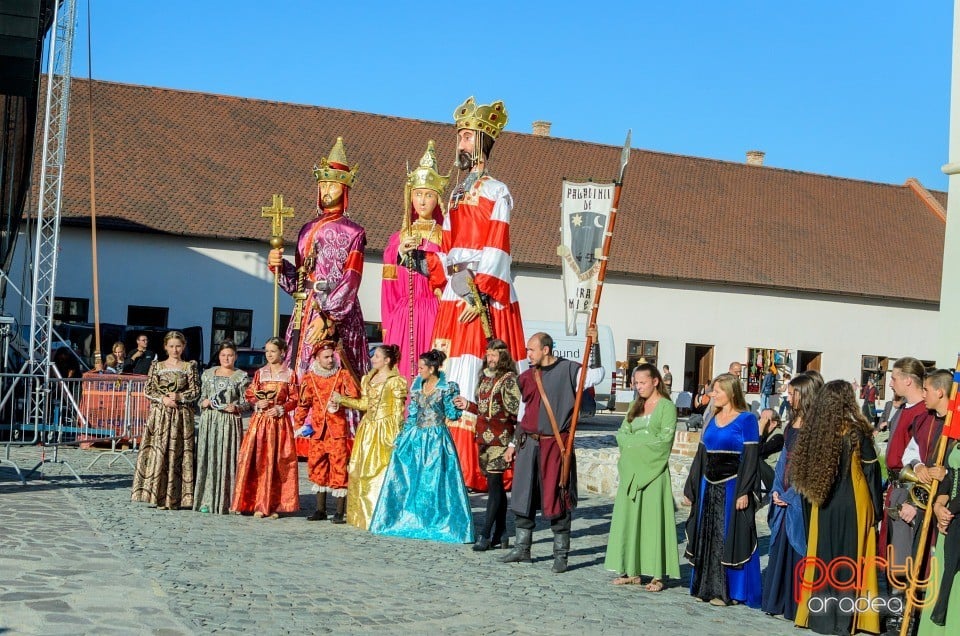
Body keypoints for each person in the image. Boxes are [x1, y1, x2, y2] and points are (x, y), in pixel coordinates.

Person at [416, 97, 527, 492]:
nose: (460, 144)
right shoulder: (453, 194)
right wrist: (440, 274)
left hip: (482, 293)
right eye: (458, 136)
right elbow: (446, 245)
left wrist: (476, 295)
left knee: (474, 366)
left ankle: (474, 462)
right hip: (455, 292)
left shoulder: (498, 191)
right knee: (446, 363)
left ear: (482, 141)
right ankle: (441, 454)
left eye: (466, 137)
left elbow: (498, 246)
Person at [501, 329, 604, 573]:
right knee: (523, 495)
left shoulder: (569, 370)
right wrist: (513, 445)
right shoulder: (527, 376)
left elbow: (597, 375)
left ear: (545, 350)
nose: (528, 354)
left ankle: (561, 555)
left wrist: (596, 343)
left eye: (531, 349)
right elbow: (523, 413)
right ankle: (522, 549)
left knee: (557, 495)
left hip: (555, 446)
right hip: (528, 444)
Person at [267, 137, 370, 380]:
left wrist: (328, 317)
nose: (326, 191)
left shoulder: (354, 232)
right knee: (301, 368)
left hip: (337, 311)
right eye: (323, 185)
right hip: (306, 307)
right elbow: (299, 282)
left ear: (344, 189)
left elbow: (351, 279)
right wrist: (279, 266)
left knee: (337, 368)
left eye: (332, 186)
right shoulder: (306, 229)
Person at [792, 380, 883, 635]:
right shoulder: (855, 431)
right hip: (853, 502)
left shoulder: (815, 430)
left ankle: (821, 620)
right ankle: (844, 622)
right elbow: (871, 469)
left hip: (823, 504)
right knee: (849, 562)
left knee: (824, 558)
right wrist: (877, 509)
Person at [369, 350, 474, 544]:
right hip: (417, 438)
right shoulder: (418, 386)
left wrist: (456, 405)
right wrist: (402, 439)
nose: (419, 371)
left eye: (422, 367)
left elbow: (452, 415)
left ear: (432, 368)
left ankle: (437, 521)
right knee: (413, 479)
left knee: (435, 481)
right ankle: (413, 520)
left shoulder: (447, 388)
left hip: (437, 439)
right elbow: (412, 415)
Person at [683, 372, 762, 608]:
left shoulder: (746, 420)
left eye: (717, 390)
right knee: (708, 535)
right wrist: (692, 488)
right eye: (712, 390)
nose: (712, 394)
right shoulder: (711, 419)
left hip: (732, 486)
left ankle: (728, 591)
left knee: (727, 537)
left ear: (730, 392)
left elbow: (751, 458)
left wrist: (744, 491)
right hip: (709, 486)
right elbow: (701, 457)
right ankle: (705, 587)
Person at [604, 363, 680, 591]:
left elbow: (664, 440)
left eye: (642, 382)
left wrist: (635, 446)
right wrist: (634, 448)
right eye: (636, 383)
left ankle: (657, 574)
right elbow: (622, 434)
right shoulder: (635, 407)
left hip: (653, 474)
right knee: (630, 520)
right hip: (632, 472)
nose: (639, 387)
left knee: (653, 521)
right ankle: (632, 570)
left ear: (655, 381)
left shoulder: (666, 407)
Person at [381, 140, 448, 379]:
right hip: (403, 312)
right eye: (418, 194)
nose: (422, 201)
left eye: (428, 195)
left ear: (437, 200)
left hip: (432, 310)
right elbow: (388, 281)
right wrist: (398, 252)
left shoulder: (444, 235)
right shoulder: (398, 237)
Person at [761, 373, 822, 620]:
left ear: (804, 395)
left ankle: (796, 605)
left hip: (801, 499)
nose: (788, 396)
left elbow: (811, 467)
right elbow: (783, 461)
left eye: (792, 392)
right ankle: (778, 600)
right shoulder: (792, 424)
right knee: (781, 547)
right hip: (783, 492)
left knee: (798, 547)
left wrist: (790, 494)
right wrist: (777, 489)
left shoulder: (815, 427)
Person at [453, 338, 520, 551]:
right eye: (488, 354)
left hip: (501, 439)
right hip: (483, 438)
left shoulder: (509, 379)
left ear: (503, 356)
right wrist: (469, 405)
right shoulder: (484, 378)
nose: (490, 359)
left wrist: (513, 442)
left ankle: (486, 533)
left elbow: (517, 411)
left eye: (494, 355)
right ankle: (502, 532)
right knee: (496, 486)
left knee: (494, 486)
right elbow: (483, 409)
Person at [336, 344, 408, 530]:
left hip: (386, 429)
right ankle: (362, 515)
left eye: (376, 356)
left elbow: (398, 412)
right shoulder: (369, 378)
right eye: (373, 356)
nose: (372, 359)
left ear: (387, 360)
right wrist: (342, 400)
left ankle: (382, 515)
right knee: (361, 470)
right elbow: (364, 404)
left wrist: (397, 434)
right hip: (368, 429)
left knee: (382, 470)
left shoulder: (396, 381)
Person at [231, 337, 300, 519]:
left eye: (273, 351)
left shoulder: (290, 374)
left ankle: (275, 504)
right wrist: (257, 402)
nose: (269, 355)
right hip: (260, 422)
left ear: (282, 352)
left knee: (278, 462)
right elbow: (250, 392)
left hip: (279, 423)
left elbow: (295, 398)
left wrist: (281, 408)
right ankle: (255, 502)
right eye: (267, 351)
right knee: (258, 460)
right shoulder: (261, 373)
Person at [882, 357, 930, 615]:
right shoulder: (901, 409)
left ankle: (903, 616)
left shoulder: (923, 413)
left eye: (894, 378)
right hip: (895, 487)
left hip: (909, 489)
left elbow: (924, 461)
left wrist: (913, 499)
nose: (890, 383)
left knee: (904, 557)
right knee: (893, 554)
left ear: (908, 380)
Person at [131, 331, 200, 510]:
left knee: (178, 454)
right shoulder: (157, 366)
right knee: (159, 452)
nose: (175, 349)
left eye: (178, 346)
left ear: (183, 347)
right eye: (171, 346)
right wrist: (163, 399)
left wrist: (179, 396)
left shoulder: (189, 367)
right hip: (161, 415)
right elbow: (148, 389)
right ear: (165, 347)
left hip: (181, 416)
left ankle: (177, 497)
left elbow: (195, 391)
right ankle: (156, 495)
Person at [294, 341, 360, 523]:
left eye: (332, 356)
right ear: (317, 358)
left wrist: (342, 400)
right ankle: (320, 509)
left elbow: (355, 395)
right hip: (317, 431)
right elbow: (303, 404)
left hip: (337, 430)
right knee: (317, 466)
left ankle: (339, 511)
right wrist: (298, 425)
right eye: (326, 357)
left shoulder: (342, 375)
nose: (330, 360)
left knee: (339, 467)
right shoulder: (309, 378)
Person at [194, 340, 250, 515]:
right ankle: (206, 499)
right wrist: (203, 402)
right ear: (218, 356)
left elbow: (248, 401)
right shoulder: (208, 374)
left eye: (230, 355)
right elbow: (200, 397)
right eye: (223, 355)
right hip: (209, 421)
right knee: (208, 459)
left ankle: (228, 500)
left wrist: (237, 407)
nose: (227, 358)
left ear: (236, 357)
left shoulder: (241, 376)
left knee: (227, 459)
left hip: (229, 423)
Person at [757, 408, 784, 498]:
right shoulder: (765, 434)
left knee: (754, 458)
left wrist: (760, 430)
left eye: (765, 420)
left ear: (774, 423)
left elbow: (758, 451)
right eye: (760, 418)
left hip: (774, 476)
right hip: (764, 472)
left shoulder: (778, 437)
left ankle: (757, 494)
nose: (761, 422)